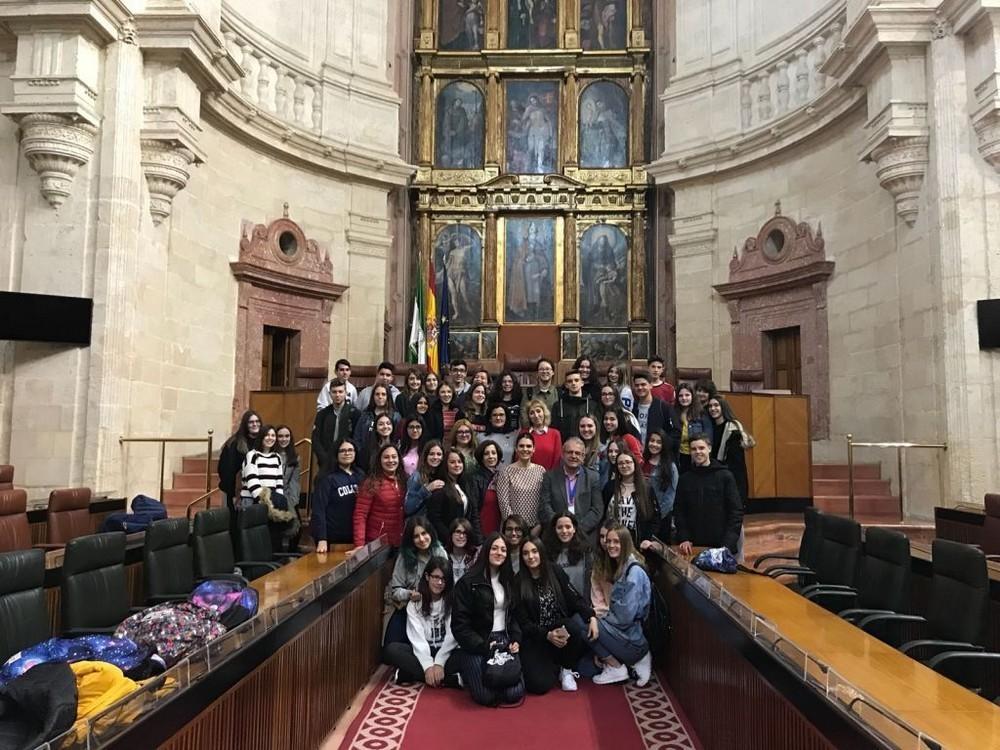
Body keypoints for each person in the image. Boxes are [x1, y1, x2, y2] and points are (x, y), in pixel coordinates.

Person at [570, 524, 652, 686]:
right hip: (620, 634)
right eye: (609, 541)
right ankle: (615, 664)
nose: (611, 545)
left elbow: (624, 618)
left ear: (626, 543)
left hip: (632, 640)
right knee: (583, 668)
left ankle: (618, 666)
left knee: (579, 621)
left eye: (616, 541)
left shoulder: (633, 573)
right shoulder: (620, 567)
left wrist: (595, 619)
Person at [514, 537, 598, 694]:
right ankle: (553, 664)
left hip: (560, 630)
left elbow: (573, 598)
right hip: (536, 637)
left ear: (541, 552)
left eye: (534, 551)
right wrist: (546, 635)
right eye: (525, 553)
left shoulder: (555, 571)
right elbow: (523, 623)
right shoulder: (518, 582)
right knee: (538, 686)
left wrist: (591, 616)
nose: (531, 557)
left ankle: (566, 669)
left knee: (572, 626)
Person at [451, 532, 524, 706]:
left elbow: (514, 617)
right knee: (486, 697)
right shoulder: (468, 582)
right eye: (495, 548)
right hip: (478, 642)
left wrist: (515, 638)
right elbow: (459, 625)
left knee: (514, 693)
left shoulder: (510, 580)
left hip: (503, 638)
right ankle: (462, 665)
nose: (499, 553)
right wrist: (481, 645)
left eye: (503, 550)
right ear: (486, 551)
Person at [383, 557, 461, 687]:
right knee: (392, 650)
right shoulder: (415, 603)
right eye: (435, 577)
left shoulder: (453, 601)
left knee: (468, 656)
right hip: (423, 651)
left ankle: (409, 674)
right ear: (427, 577)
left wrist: (439, 663)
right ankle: (448, 679)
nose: (439, 582)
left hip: (447, 651)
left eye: (444, 579)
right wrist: (427, 666)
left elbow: (452, 636)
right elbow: (417, 639)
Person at [673, 435, 744, 555]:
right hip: (693, 546)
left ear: (709, 449)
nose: (698, 452)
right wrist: (684, 538)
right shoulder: (685, 479)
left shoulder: (725, 476)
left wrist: (727, 545)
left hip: (722, 545)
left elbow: (735, 512)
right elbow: (679, 511)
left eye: (701, 448)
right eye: (694, 449)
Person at [385, 516, 447, 645]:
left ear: (430, 533)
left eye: (424, 533)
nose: (422, 539)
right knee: (391, 646)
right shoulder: (404, 556)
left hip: (434, 610)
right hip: (408, 607)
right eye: (416, 536)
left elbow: (447, 585)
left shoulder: (440, 552)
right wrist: (409, 594)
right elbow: (395, 591)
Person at [538, 437, 604, 547]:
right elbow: (545, 506)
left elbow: (597, 509)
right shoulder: (549, 477)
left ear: (583, 457)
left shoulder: (593, 477)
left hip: (584, 536)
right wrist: (560, 527)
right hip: (555, 537)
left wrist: (576, 530)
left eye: (578, 453)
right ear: (563, 455)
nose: (573, 456)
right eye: (570, 452)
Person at [312, 438, 364, 551]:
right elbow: (319, 510)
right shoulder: (326, 478)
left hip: (355, 536)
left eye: (350, 450)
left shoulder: (360, 475)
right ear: (336, 453)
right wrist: (322, 538)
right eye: (343, 451)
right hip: (333, 539)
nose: (347, 453)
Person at [353, 444, 407, 549]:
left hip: (399, 542)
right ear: (379, 460)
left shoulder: (404, 480)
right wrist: (359, 545)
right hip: (377, 544)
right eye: (386, 457)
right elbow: (360, 515)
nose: (391, 460)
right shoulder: (371, 483)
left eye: (394, 457)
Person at [603, 451, 660, 547]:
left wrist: (648, 539)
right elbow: (602, 513)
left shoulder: (646, 489)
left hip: (637, 541)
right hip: (613, 539)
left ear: (635, 464)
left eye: (628, 462)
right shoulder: (610, 487)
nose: (624, 466)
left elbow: (655, 517)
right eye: (620, 463)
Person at [706, 395, 754, 508]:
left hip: (732, 477)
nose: (713, 409)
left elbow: (736, 463)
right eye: (710, 406)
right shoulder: (710, 427)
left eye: (716, 405)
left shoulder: (733, 429)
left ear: (724, 407)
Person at [426, 448, 482, 543]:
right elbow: (434, 519)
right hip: (447, 542)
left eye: (459, 462)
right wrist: (450, 538)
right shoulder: (440, 487)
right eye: (452, 462)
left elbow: (473, 515)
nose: (457, 465)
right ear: (445, 465)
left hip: (465, 540)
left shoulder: (466, 486)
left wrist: (477, 539)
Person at [495, 433, 546, 531]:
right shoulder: (506, 472)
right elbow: (504, 503)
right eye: (521, 446)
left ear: (534, 449)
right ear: (516, 449)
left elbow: (543, 501)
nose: (525, 449)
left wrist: (539, 525)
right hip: (513, 530)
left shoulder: (541, 471)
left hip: (536, 528)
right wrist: (515, 528)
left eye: (528, 446)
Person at [312, 379, 358, 477]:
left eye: (340, 392)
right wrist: (324, 458)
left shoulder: (355, 413)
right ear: (330, 394)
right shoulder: (322, 414)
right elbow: (315, 439)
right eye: (334, 392)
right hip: (326, 461)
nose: (337, 395)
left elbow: (357, 438)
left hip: (347, 460)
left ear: (346, 393)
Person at [217, 410, 261, 513]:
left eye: (257, 421)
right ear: (245, 424)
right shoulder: (234, 443)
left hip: (257, 493)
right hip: (237, 494)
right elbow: (226, 471)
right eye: (251, 422)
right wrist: (233, 494)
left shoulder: (263, 442)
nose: (255, 424)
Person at [541, 513, 592, 602]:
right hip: (559, 606)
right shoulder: (547, 553)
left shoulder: (585, 553)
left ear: (574, 529)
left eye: (568, 527)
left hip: (582, 605)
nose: (564, 531)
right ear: (554, 529)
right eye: (560, 527)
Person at [630, 370, 679, 449]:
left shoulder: (664, 407)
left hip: (657, 454)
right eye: (637, 385)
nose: (640, 388)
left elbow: (675, 432)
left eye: (643, 384)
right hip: (638, 454)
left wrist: (663, 446)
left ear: (650, 385)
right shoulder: (633, 408)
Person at [643, 430, 678, 540]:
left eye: (659, 442)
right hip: (642, 516)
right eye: (652, 441)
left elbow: (670, 498)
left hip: (661, 519)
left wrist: (656, 518)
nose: (654, 444)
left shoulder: (670, 467)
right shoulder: (641, 462)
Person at [240, 424, 284, 509]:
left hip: (271, 501)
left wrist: (279, 500)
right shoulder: (252, 455)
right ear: (261, 437)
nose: (270, 438)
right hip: (252, 500)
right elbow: (252, 480)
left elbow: (279, 482)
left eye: (273, 435)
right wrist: (263, 500)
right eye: (267, 435)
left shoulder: (277, 457)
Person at [672, 384, 713, 473]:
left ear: (692, 396)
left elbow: (708, 437)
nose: (684, 398)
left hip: (696, 455)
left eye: (687, 395)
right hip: (679, 456)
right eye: (680, 396)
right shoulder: (673, 413)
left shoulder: (701, 414)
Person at [274, 425, 301, 551]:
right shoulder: (270, 455)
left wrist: (292, 501)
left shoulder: (295, 457)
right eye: (280, 436)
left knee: (297, 526)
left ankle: (291, 554)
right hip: (272, 495)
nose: (283, 439)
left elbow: (294, 481)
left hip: (288, 494)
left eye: (286, 436)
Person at [468, 440, 502, 537]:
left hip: (500, 530)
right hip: (482, 532)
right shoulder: (475, 478)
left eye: (493, 453)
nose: (491, 456)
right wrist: (478, 538)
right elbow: (474, 511)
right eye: (486, 454)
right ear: (481, 458)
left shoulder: (502, 476)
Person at [552, 370, 597, 440]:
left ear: (582, 383)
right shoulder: (557, 406)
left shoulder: (592, 405)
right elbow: (554, 431)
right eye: (570, 381)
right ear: (566, 385)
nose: (573, 383)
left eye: (576, 380)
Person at [404, 440, 445, 517]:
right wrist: (426, 490)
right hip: (419, 523)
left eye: (439, 454)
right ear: (425, 456)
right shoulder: (416, 477)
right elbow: (407, 508)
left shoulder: (442, 476)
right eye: (431, 454)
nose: (435, 457)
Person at [522, 398, 562, 470]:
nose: (536, 415)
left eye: (538, 411)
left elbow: (557, 459)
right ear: (528, 417)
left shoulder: (555, 434)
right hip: (527, 476)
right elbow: (519, 458)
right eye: (532, 413)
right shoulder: (524, 433)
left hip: (549, 477)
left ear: (544, 413)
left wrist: (549, 477)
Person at [590, 520, 616, 617]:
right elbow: (596, 591)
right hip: (603, 614)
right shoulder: (598, 562)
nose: (604, 541)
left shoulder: (630, 565)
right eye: (602, 536)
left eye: (608, 537)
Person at [447, 517, 478, 583]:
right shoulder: (444, 555)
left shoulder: (475, 555)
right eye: (458, 532)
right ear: (451, 534)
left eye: (465, 533)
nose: (461, 536)